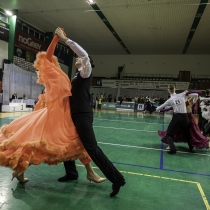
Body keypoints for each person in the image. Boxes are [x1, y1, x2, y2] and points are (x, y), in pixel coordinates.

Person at [0, 31, 105, 184]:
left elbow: (82, 57)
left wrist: (61, 39)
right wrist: (55, 40)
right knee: (39, 142)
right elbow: (48, 58)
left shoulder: (77, 74)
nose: (77, 58)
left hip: (66, 114)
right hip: (58, 115)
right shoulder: (61, 77)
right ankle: (20, 170)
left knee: (71, 143)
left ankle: (90, 172)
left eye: (79, 59)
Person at [55, 27, 126, 197]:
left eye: (78, 58)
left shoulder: (85, 72)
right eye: (77, 58)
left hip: (83, 116)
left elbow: (85, 55)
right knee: (69, 143)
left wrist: (65, 40)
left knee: (92, 149)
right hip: (75, 115)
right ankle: (71, 172)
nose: (77, 59)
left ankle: (117, 179)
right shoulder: (75, 76)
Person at [156, 84, 198, 154]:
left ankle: (172, 149)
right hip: (185, 117)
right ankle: (191, 146)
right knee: (187, 133)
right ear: (175, 89)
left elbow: (158, 108)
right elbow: (196, 95)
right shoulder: (182, 94)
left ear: (168, 90)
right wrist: (192, 99)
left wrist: (157, 109)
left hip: (177, 117)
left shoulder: (170, 100)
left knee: (169, 134)